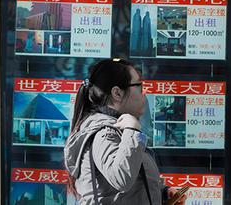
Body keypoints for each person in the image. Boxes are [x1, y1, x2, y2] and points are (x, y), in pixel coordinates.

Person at [64, 58, 186, 205]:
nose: (144, 93)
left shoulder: (119, 130)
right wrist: (132, 130)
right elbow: (121, 178)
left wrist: (163, 192)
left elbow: (129, 185)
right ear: (117, 93)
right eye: (139, 86)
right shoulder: (105, 133)